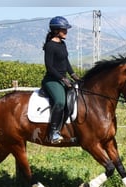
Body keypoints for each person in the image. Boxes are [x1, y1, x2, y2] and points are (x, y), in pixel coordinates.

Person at [41, 16, 80, 144]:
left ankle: (68, 130)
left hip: (62, 79)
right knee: (60, 101)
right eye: (64, 30)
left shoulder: (62, 44)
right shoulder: (50, 46)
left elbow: (66, 62)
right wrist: (62, 78)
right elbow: (49, 67)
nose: (66, 32)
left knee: (74, 99)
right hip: (52, 80)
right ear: (56, 30)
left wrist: (74, 75)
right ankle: (53, 133)